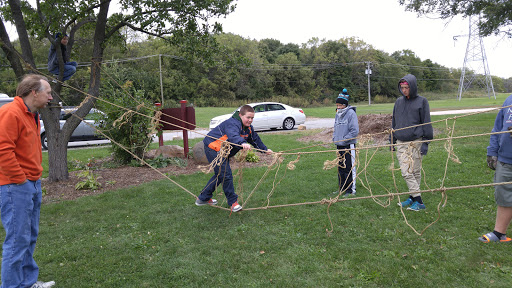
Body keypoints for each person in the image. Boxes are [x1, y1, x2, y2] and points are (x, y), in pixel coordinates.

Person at [0, 75, 55, 287]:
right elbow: (3, 150)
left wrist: (31, 180)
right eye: (48, 92)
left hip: (32, 183)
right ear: (34, 92)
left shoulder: (33, 114)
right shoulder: (10, 113)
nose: (50, 96)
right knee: (17, 240)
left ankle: (27, 282)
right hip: (15, 186)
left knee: (29, 236)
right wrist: (21, 180)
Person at [196, 105, 272, 212]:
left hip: (222, 150)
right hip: (213, 148)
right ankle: (233, 202)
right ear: (240, 115)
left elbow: (255, 139)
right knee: (226, 174)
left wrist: (264, 149)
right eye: (248, 117)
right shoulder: (232, 123)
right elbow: (233, 136)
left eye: (252, 118)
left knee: (220, 174)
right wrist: (242, 142)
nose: (250, 120)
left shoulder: (248, 128)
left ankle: (203, 198)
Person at [392, 74, 433, 211]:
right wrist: (392, 140)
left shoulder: (422, 101)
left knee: (415, 171)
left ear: (412, 87)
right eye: (402, 87)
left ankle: (412, 198)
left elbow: (426, 122)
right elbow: (394, 121)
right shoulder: (398, 102)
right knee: (406, 171)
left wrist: (426, 142)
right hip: (401, 142)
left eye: (406, 88)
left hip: (416, 141)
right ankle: (419, 200)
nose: (404, 90)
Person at [480, 94, 512, 243]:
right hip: (506, 159)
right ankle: (499, 233)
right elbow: (498, 127)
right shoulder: (509, 100)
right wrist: (492, 151)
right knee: (503, 195)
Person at [332, 88, 359, 197]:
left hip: (349, 145)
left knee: (349, 168)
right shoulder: (337, 114)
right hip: (339, 146)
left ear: (345, 105)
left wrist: (344, 139)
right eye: (337, 105)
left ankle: (350, 190)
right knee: (340, 167)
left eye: (340, 105)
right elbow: (335, 127)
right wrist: (335, 138)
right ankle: (342, 188)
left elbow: (355, 131)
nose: (338, 107)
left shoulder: (351, 114)